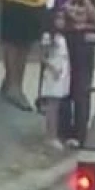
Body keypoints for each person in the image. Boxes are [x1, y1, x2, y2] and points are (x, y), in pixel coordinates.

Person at [53, 0, 95, 146]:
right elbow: (59, 16)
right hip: (67, 46)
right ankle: (64, 130)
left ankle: (80, 132)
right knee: (65, 88)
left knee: (82, 90)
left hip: (84, 47)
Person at [37, 12, 71, 150]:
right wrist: (52, 69)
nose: (61, 21)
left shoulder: (62, 37)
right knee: (52, 106)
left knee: (56, 105)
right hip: (53, 74)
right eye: (58, 18)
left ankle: (54, 134)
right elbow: (42, 57)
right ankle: (50, 136)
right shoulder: (47, 37)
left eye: (63, 19)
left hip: (62, 73)